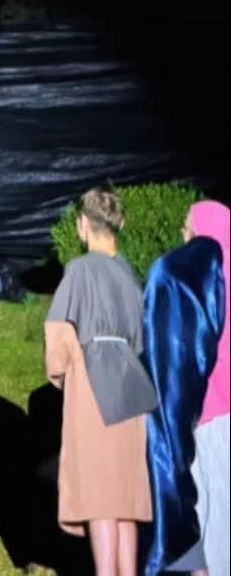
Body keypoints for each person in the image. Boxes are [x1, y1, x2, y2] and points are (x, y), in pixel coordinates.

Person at [44, 187, 156, 576]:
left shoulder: (79, 270)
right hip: (132, 385)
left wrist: (62, 372)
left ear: (82, 226)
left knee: (100, 495)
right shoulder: (130, 273)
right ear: (118, 224)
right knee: (124, 498)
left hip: (94, 383)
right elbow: (142, 337)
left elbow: (57, 331)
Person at [141, 200, 228, 576]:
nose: (183, 236)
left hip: (211, 421)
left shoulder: (192, 282)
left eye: (187, 228)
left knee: (213, 525)